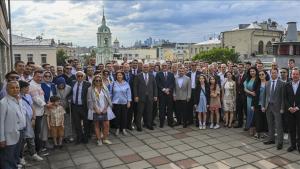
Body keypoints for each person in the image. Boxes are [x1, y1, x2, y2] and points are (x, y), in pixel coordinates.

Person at [0, 81, 26, 169]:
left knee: (16, 153)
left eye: (17, 87)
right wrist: (2, 139)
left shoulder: (19, 99)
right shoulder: (3, 103)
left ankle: (14, 165)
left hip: (20, 131)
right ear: (7, 90)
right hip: (9, 134)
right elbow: (1, 122)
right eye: (12, 88)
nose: (15, 90)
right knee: (7, 156)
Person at [19, 81, 43, 163]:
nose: (27, 89)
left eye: (28, 87)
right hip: (22, 120)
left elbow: (32, 106)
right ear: (21, 88)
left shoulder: (28, 96)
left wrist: (34, 117)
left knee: (31, 137)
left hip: (30, 119)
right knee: (22, 140)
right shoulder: (17, 97)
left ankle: (33, 154)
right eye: (26, 88)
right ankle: (21, 157)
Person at [29, 70, 51, 154]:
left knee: (38, 131)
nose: (40, 78)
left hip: (40, 111)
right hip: (36, 113)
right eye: (38, 76)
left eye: (41, 77)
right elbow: (36, 99)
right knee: (37, 133)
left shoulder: (38, 84)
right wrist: (46, 105)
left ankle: (38, 149)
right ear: (33, 76)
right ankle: (38, 150)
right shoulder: (32, 85)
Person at [87, 75, 112, 146]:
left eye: (100, 80)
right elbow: (89, 100)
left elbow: (108, 98)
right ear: (94, 81)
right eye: (96, 80)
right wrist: (96, 109)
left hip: (105, 109)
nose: (98, 82)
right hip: (95, 109)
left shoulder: (104, 87)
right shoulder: (90, 89)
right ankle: (99, 140)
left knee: (106, 125)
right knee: (97, 125)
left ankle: (105, 139)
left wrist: (105, 108)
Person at [263, 68, 285, 150]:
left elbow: (283, 97)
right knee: (270, 124)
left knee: (279, 125)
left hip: (278, 107)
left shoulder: (282, 84)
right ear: (270, 74)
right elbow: (265, 95)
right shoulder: (267, 83)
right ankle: (271, 139)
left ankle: (280, 142)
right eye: (272, 73)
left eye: (275, 73)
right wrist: (263, 106)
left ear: (277, 73)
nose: (273, 74)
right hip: (268, 107)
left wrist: (282, 108)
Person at [134, 64, 158, 131]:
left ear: (149, 68)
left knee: (149, 112)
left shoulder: (152, 75)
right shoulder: (138, 76)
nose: (146, 68)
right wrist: (136, 96)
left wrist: (155, 95)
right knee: (140, 112)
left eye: (147, 67)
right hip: (141, 97)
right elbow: (135, 87)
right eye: (144, 67)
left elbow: (155, 86)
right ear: (142, 68)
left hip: (150, 97)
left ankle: (148, 124)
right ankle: (138, 126)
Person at [70, 71, 91, 144]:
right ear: (76, 77)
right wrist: (70, 98)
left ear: (84, 77)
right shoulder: (73, 83)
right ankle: (79, 137)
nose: (80, 77)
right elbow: (70, 93)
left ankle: (86, 137)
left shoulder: (87, 84)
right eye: (78, 76)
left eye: (81, 76)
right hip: (75, 106)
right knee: (77, 123)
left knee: (86, 123)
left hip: (84, 106)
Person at [110, 71, 132, 135]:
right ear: (116, 76)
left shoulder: (126, 83)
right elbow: (110, 93)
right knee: (117, 116)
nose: (119, 76)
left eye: (120, 75)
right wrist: (110, 102)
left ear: (123, 76)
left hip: (124, 103)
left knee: (124, 116)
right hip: (116, 103)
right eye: (118, 75)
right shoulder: (113, 83)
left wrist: (129, 102)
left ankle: (124, 129)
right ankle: (117, 128)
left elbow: (129, 93)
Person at [285, 69, 300, 153]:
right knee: (291, 129)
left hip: (299, 110)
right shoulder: (287, 85)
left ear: (299, 75)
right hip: (290, 111)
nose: (295, 76)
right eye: (293, 74)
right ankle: (293, 145)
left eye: (297, 74)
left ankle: (299, 146)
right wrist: (289, 107)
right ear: (291, 75)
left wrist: (297, 108)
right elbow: (285, 98)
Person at [156, 63, 175, 128]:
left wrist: (168, 89)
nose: (164, 67)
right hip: (162, 95)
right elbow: (158, 83)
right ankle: (161, 123)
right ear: (161, 67)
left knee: (170, 109)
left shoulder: (171, 74)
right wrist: (164, 89)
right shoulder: (158, 74)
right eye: (163, 66)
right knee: (162, 109)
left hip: (169, 94)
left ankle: (170, 122)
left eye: (165, 66)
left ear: (168, 67)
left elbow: (173, 83)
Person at [251, 70, 269, 139]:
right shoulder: (257, 83)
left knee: (265, 119)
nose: (261, 76)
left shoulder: (268, 83)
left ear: (266, 75)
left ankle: (263, 133)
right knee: (258, 118)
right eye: (260, 75)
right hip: (257, 104)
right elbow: (254, 95)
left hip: (266, 104)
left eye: (262, 74)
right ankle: (257, 132)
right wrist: (252, 105)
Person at [55, 77, 72, 143]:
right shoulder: (55, 87)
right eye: (59, 84)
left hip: (67, 107)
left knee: (67, 122)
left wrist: (70, 99)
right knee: (59, 123)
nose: (61, 85)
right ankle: (60, 137)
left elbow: (71, 95)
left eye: (62, 84)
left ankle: (67, 136)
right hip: (58, 108)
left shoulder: (69, 88)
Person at [244, 67, 258, 135]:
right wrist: (251, 93)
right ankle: (250, 127)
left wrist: (253, 93)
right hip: (249, 98)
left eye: (253, 71)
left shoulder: (258, 79)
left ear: (256, 71)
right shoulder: (248, 79)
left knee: (255, 113)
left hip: (256, 98)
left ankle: (255, 128)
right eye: (251, 71)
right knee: (249, 113)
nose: (252, 72)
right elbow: (245, 88)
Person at [186, 62, 202, 126]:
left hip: (197, 91)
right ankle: (190, 120)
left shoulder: (200, 73)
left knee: (197, 106)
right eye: (192, 65)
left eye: (195, 65)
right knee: (189, 106)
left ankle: (198, 121)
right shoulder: (188, 74)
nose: (194, 66)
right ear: (190, 66)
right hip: (190, 91)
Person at [234, 63, 247, 128]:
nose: (240, 68)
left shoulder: (247, 76)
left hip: (245, 96)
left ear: (243, 68)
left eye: (241, 67)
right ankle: (240, 123)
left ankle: (247, 125)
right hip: (238, 96)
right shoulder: (236, 76)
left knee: (246, 111)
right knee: (239, 110)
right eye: (239, 67)